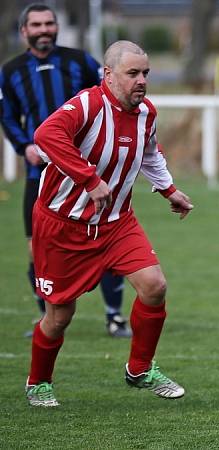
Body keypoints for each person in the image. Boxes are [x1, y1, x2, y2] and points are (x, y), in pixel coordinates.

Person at [24, 40, 194, 407]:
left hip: (116, 222)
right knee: (60, 316)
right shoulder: (87, 104)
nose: (141, 81)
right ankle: (39, 382)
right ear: (109, 75)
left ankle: (139, 369)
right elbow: (44, 136)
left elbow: (149, 154)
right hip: (62, 224)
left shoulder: (147, 112)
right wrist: (89, 178)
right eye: (132, 73)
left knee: (154, 285)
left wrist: (169, 191)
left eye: (145, 73)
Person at [0, 3, 132, 338]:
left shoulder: (79, 61)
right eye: (37, 25)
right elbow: (7, 115)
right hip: (40, 177)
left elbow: (110, 95)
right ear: (24, 31)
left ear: (56, 27)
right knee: (36, 249)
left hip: (88, 172)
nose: (44, 29)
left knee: (106, 243)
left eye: (49, 23)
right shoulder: (11, 70)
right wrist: (23, 146)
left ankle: (115, 317)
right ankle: (47, 317)